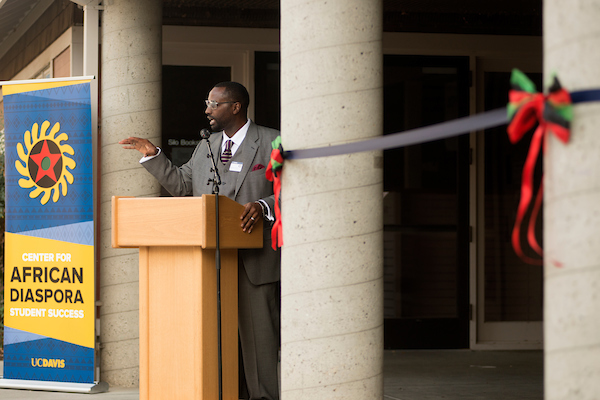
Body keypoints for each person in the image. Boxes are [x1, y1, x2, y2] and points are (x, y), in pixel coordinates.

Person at [119, 81, 281, 400]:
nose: (207, 110)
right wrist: (153, 156)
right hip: (211, 261)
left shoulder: (272, 140)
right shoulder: (206, 145)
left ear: (236, 106)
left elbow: (294, 189)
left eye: (213, 103)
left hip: (255, 260)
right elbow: (182, 186)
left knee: (259, 343)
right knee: (217, 341)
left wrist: (264, 206)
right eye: (207, 103)